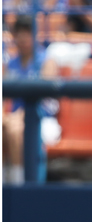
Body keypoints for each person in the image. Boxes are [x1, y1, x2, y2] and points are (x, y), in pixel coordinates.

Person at [2, 15, 60, 185]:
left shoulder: (46, 62)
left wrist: (18, 116)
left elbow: (43, 100)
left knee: (14, 130)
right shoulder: (11, 64)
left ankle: (20, 184)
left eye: (27, 33)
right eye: (18, 34)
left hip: (44, 120)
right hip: (15, 119)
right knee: (9, 127)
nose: (23, 38)